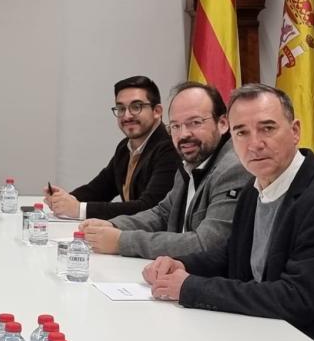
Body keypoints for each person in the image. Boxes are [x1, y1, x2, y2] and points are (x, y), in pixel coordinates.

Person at [143, 84, 314, 341]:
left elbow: (295, 299)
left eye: (267, 128)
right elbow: (231, 254)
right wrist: (180, 264)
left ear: (295, 131)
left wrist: (190, 288)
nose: (254, 143)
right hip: (268, 339)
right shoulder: (255, 187)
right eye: (241, 132)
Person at [81, 81, 250, 259]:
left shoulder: (234, 168)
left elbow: (206, 244)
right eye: (176, 126)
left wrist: (122, 241)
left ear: (223, 123)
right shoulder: (190, 163)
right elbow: (162, 213)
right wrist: (113, 226)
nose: (184, 134)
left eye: (194, 122)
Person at [45, 76, 180, 219]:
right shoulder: (125, 147)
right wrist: (65, 199)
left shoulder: (170, 148)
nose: (127, 116)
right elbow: (99, 189)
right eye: (121, 108)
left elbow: (149, 207)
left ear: (157, 111)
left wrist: (79, 209)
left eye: (136, 107)